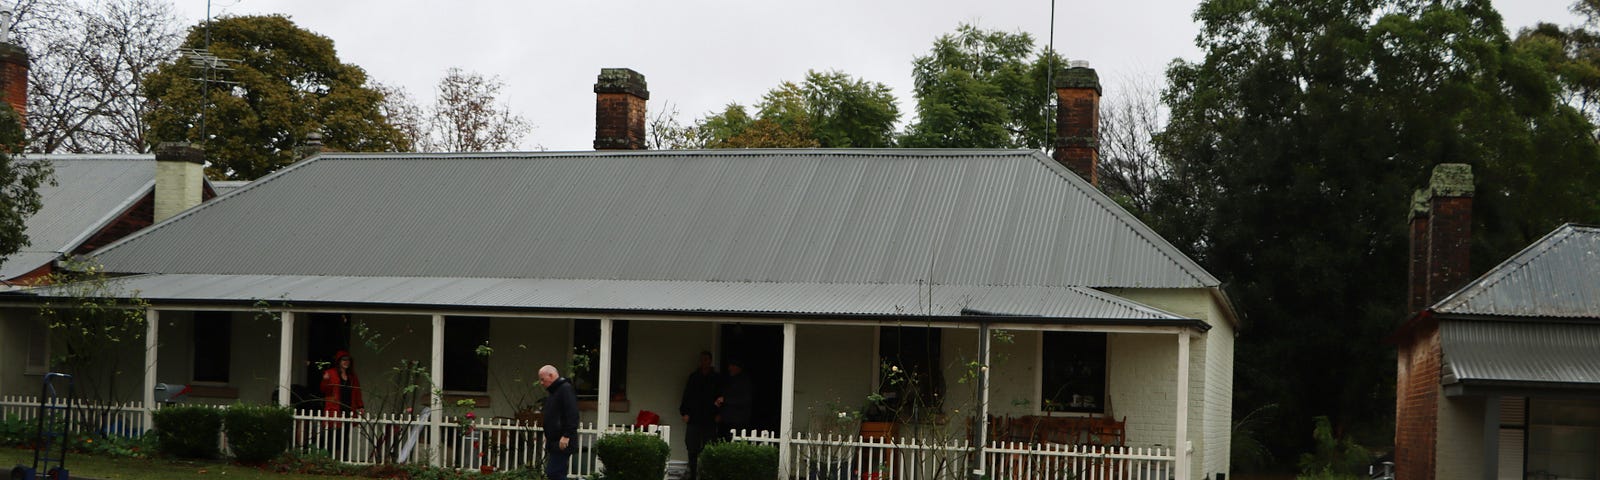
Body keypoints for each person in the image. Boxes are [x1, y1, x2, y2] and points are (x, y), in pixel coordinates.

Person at [678, 351, 719, 480]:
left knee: (709, 446)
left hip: (709, 417)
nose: (704, 362)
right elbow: (687, 395)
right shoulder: (694, 377)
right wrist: (684, 412)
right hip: (694, 416)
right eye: (702, 360)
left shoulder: (716, 378)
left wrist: (719, 413)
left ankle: (706, 474)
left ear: (710, 361)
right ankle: (693, 473)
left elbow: (721, 396)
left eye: (707, 360)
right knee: (692, 446)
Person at [540, 364, 579, 480]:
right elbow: (553, 416)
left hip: (562, 440)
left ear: (551, 375)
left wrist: (567, 435)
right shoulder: (554, 392)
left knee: (554, 472)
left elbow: (572, 414)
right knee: (556, 473)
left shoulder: (565, 389)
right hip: (555, 440)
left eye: (542, 379)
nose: (541, 383)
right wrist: (548, 435)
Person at [716, 358, 752, 439]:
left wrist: (725, 400)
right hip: (726, 421)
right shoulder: (728, 380)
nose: (729, 369)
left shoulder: (744, 381)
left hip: (739, 421)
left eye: (732, 366)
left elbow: (744, 399)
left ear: (738, 367)